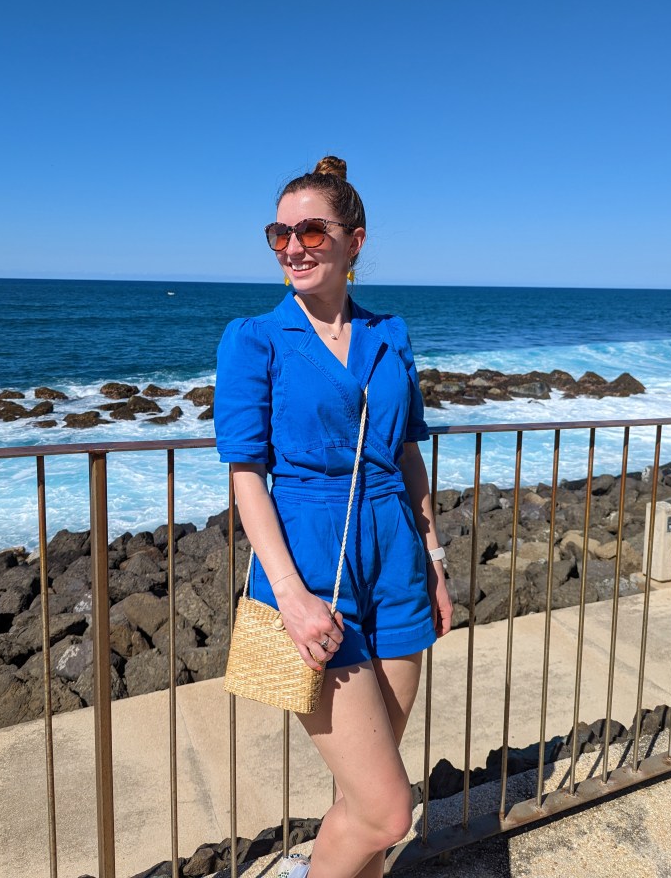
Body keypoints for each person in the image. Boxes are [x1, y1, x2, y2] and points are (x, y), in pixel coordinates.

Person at [214, 156, 453, 878]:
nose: (292, 248)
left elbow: (408, 455)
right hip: (311, 568)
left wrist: (435, 562)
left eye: (310, 231)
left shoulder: (391, 334)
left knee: (362, 800)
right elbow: (246, 475)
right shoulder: (253, 338)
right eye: (279, 233)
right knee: (387, 809)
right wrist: (287, 597)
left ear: (353, 240)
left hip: (398, 565)